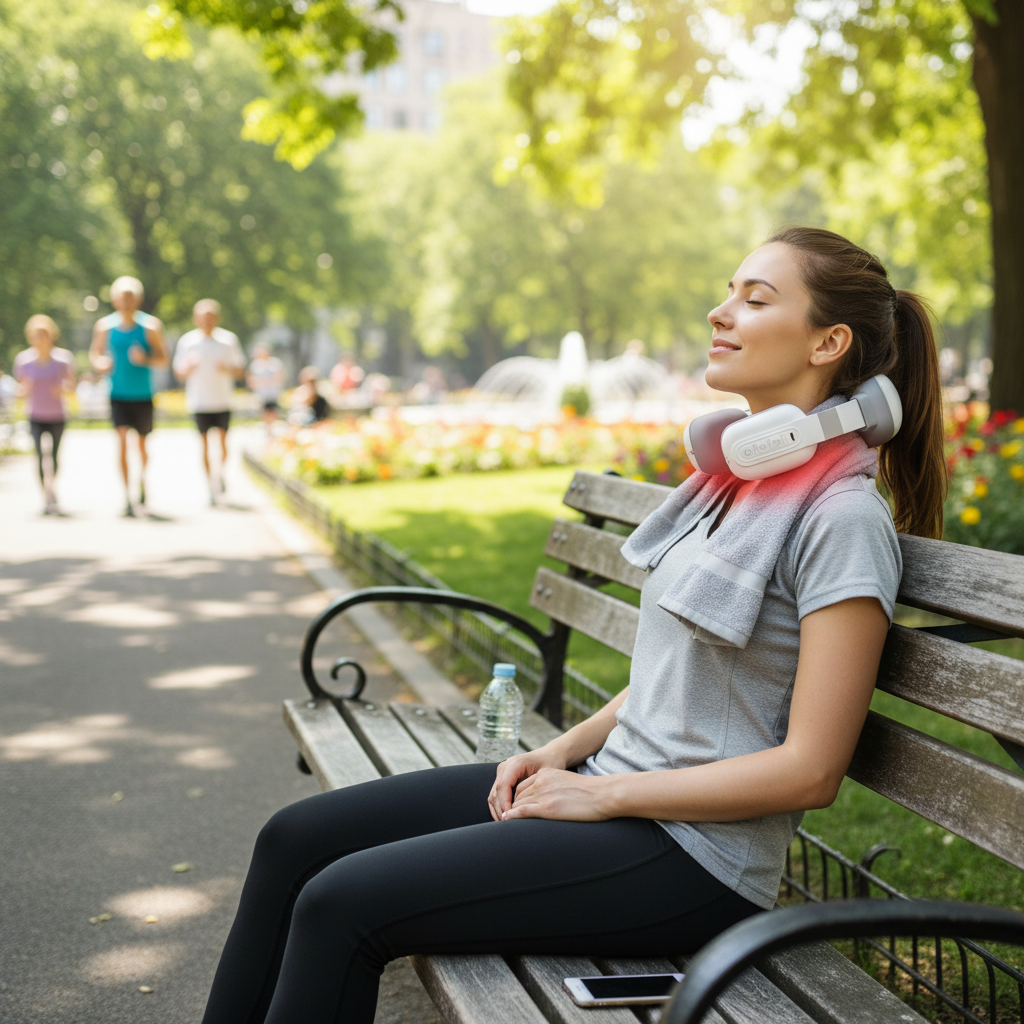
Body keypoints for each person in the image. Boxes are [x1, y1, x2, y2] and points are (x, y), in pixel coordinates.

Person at [200, 227, 947, 1024]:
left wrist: (607, 796)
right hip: (615, 795)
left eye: (754, 299)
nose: (719, 312)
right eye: (729, 291)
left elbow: (810, 771)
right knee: (294, 841)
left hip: (693, 859)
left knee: (339, 905)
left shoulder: (840, 519)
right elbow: (673, 676)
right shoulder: (739, 483)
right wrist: (559, 752)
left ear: (829, 341)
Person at [89, 276, 168, 516]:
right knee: (121, 441)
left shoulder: (151, 326)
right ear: (115, 300)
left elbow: (163, 359)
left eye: (131, 297)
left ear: (138, 299)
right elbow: (95, 354)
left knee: (142, 446)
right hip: (117, 394)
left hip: (143, 394)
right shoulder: (104, 326)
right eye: (122, 297)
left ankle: (141, 480)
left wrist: (145, 359)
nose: (126, 302)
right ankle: (126, 495)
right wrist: (100, 363)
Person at [173, 299, 246, 503]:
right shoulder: (187, 341)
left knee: (223, 443)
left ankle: (219, 473)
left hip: (222, 400)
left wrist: (227, 368)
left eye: (211, 316)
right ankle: (210, 485)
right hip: (199, 401)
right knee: (203, 444)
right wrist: (189, 366)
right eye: (203, 317)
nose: (207, 321)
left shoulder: (228, 340)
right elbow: (179, 372)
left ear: (217, 318)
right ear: (196, 319)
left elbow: (240, 370)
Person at [13, 315, 76, 514]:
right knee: (40, 456)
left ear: (51, 336)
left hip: (57, 415)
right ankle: (47, 494)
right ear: (30, 337)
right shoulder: (23, 360)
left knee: (54, 457)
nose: (40, 338)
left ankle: (52, 485)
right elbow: (20, 391)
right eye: (36, 335)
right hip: (35, 415)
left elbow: (72, 387)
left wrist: (63, 390)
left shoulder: (63, 359)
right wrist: (23, 391)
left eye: (44, 334)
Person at [247, 343, 286, 431]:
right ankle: (268, 429)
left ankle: (275, 428)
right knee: (264, 412)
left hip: (273, 393)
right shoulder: (255, 365)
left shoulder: (275, 363)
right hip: (261, 393)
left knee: (274, 411)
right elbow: (251, 379)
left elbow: (280, 376)